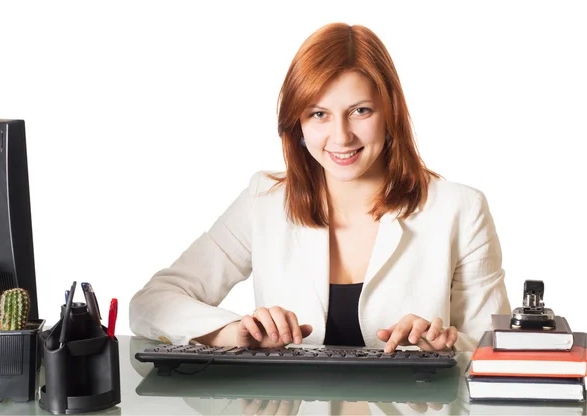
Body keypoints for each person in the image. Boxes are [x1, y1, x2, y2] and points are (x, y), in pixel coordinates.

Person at [129, 22, 511, 352]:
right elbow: (151, 304)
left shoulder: (460, 209)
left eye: (360, 111)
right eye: (319, 114)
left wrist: (442, 346)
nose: (341, 137)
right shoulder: (263, 201)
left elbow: (494, 344)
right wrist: (234, 333)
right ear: (298, 123)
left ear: (390, 112)